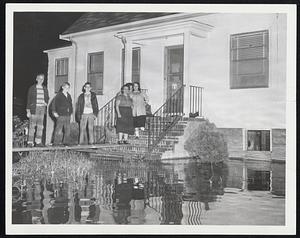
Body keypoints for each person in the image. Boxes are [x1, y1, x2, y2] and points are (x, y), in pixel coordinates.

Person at [26, 73, 49, 147]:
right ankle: (30, 142)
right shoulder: (32, 88)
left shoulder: (45, 88)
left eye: (42, 79)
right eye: (39, 78)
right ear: (36, 79)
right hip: (34, 108)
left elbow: (47, 97)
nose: (41, 80)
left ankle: (38, 142)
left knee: (40, 126)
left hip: (42, 108)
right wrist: (28, 111)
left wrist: (46, 102)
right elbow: (28, 100)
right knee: (32, 126)